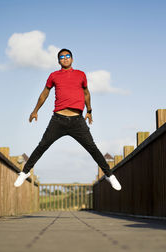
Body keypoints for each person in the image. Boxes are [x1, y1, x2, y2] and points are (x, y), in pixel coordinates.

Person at [14, 49, 121, 190]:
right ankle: (25, 172)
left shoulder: (81, 75)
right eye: (62, 57)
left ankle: (109, 175)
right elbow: (44, 94)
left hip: (77, 120)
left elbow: (86, 93)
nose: (65, 58)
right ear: (59, 61)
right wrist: (35, 111)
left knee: (92, 148)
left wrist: (89, 110)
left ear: (72, 59)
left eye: (67, 56)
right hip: (58, 120)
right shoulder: (53, 76)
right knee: (42, 145)